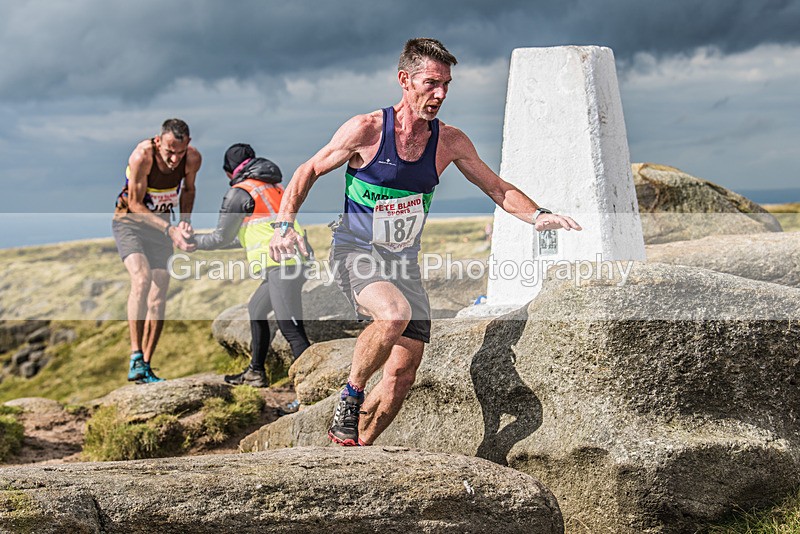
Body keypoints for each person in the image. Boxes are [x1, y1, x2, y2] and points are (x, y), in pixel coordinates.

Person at [269, 38, 582, 446]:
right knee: (393, 314)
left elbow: (497, 188)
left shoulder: (449, 141)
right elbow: (308, 169)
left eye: (447, 85)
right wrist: (284, 225)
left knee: (401, 375)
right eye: (432, 83)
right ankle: (350, 395)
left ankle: (353, 447)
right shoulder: (366, 130)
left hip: (404, 264)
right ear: (405, 80)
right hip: (356, 252)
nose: (441, 94)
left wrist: (539, 215)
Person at [193, 144, 312, 387]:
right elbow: (249, 235)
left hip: (282, 265)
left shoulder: (240, 192)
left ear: (230, 171)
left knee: (292, 331)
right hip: (292, 262)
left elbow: (221, 237)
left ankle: (312, 391)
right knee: (256, 309)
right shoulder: (274, 188)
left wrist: (192, 242)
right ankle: (255, 372)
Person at [113, 118, 201, 384]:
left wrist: (184, 221)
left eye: (180, 152)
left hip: (162, 228)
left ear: (188, 145)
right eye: (169, 151)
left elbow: (189, 189)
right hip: (129, 224)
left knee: (159, 292)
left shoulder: (193, 158)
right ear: (158, 141)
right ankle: (135, 355)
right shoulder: (142, 156)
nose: (175, 159)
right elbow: (136, 204)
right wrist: (169, 230)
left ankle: (147, 366)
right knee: (141, 279)